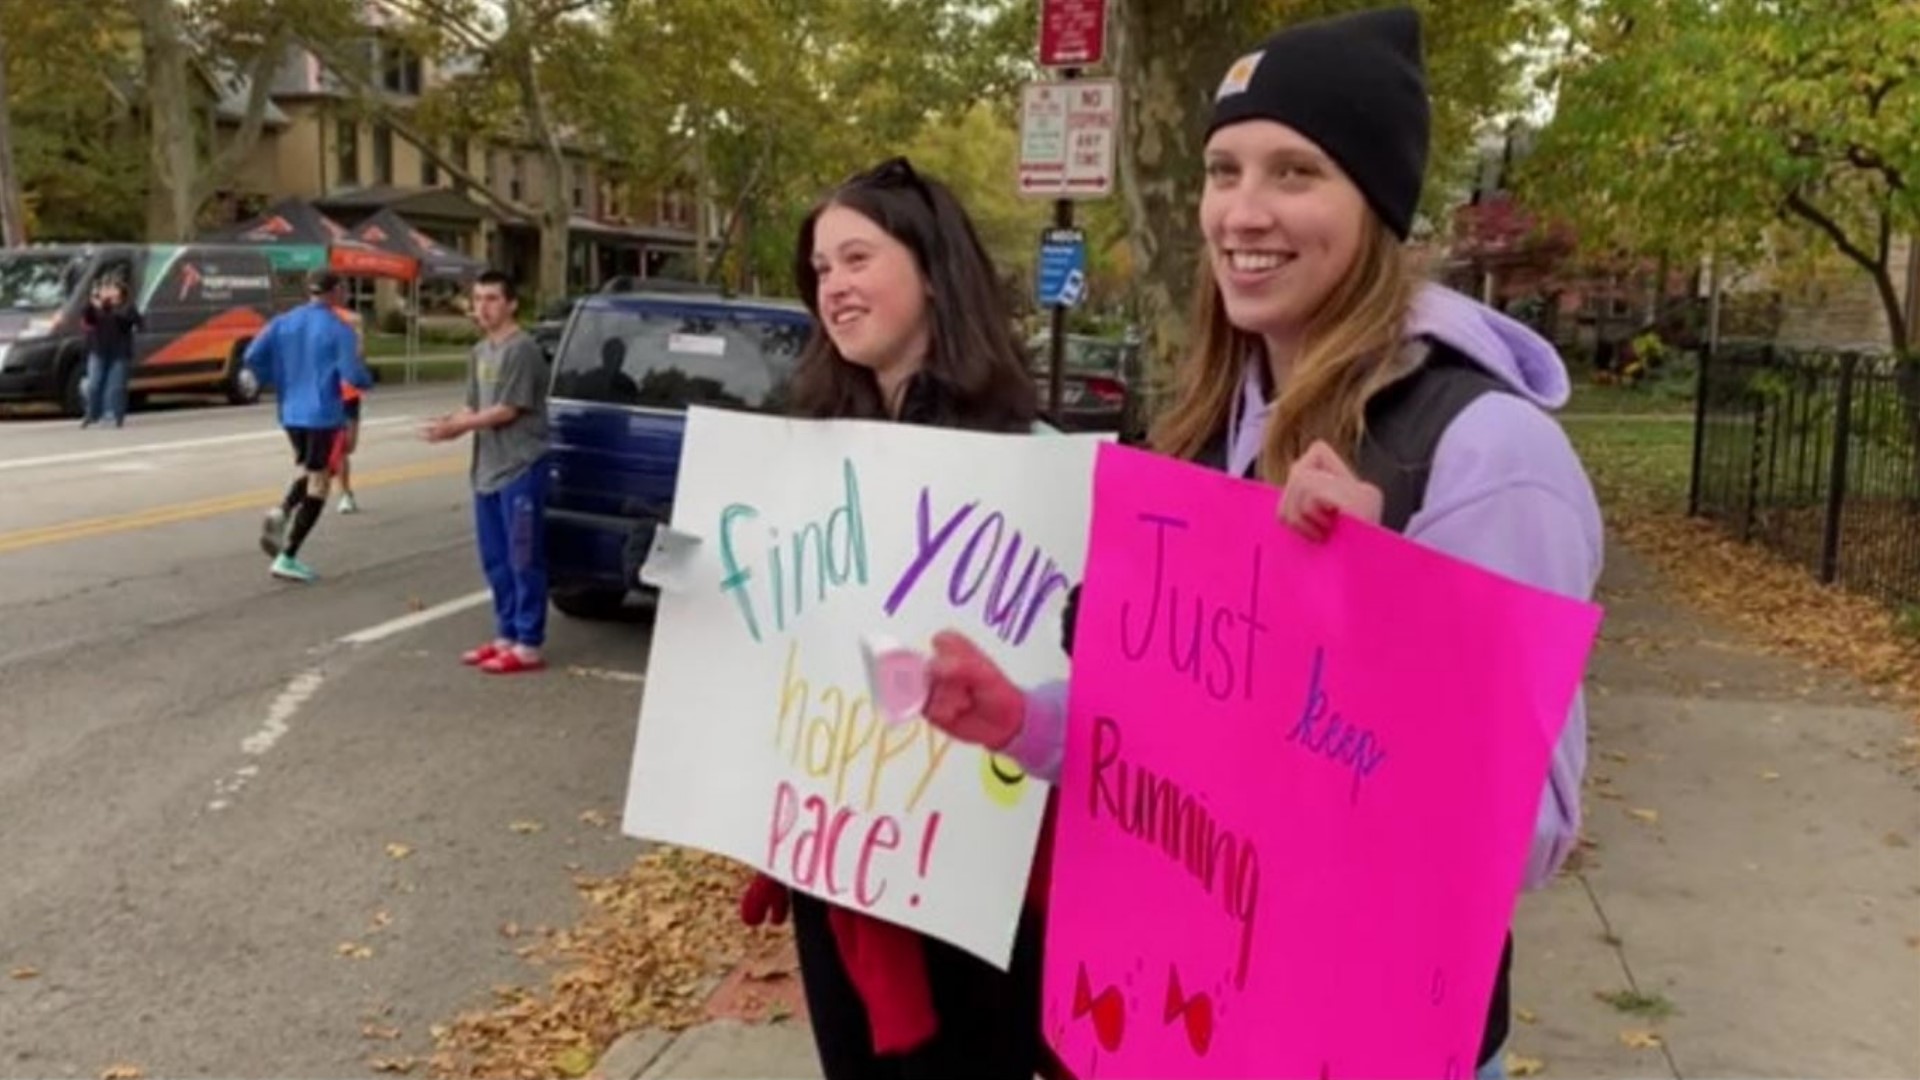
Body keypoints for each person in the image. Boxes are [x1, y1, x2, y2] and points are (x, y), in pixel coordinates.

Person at [916, 8, 1602, 1079]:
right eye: (1222, 169)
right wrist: (1026, 723)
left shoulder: (1486, 451)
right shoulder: (1203, 434)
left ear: (1375, 205)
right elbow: (1180, 735)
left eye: (1296, 172)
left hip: (1367, 1039)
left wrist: (1387, 606)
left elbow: (1533, 834)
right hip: (1181, 1013)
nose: (1243, 211)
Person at [737, 156, 1050, 1080]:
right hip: (842, 865)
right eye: (821, 269)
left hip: (979, 862)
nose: (833, 286)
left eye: (857, 259)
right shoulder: (798, 457)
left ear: (931, 269)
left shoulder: (1029, 460)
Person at [424, 270, 552, 676]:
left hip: (520, 467)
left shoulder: (522, 350)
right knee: (495, 559)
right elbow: (473, 405)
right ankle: (505, 634)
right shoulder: (480, 352)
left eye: (492, 298)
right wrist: (447, 424)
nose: (483, 306)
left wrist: (460, 426)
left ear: (512, 303)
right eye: (478, 299)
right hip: (487, 469)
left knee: (523, 557)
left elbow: (507, 410)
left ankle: (528, 643)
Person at [246, 271, 372, 584]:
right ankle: (287, 555)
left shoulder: (282, 322)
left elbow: (251, 355)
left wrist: (275, 378)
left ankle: (282, 511)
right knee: (320, 483)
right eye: (344, 287)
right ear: (336, 291)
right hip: (323, 413)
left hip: (291, 412)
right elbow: (352, 375)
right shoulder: (338, 329)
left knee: (309, 467)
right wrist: (368, 379)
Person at [79, 279, 144, 429]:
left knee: (115, 387)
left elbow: (132, 321)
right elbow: (87, 319)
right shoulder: (96, 307)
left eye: (112, 288)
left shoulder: (127, 307)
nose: (107, 291)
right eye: (104, 288)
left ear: (120, 292)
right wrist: (94, 305)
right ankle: (92, 413)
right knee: (94, 384)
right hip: (98, 351)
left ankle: (113, 415)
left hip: (119, 352)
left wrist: (111, 308)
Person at [330, 301, 367, 514]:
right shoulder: (314, 320)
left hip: (349, 391)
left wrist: (358, 333)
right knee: (341, 446)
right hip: (328, 393)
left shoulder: (349, 318)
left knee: (349, 445)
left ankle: (327, 470)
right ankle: (345, 494)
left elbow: (360, 355)